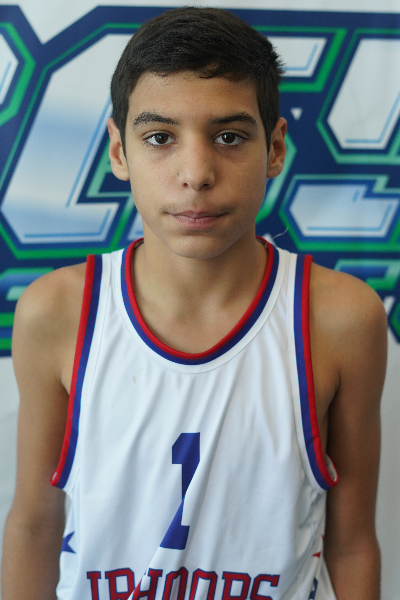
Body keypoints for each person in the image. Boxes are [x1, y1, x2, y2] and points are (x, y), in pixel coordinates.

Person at [1, 7, 387, 600]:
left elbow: (353, 540)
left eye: (229, 136)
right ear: (119, 151)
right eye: (160, 137)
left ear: (275, 148)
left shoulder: (340, 319)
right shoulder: (56, 313)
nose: (196, 173)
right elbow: (34, 525)